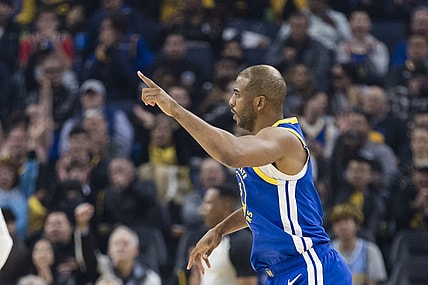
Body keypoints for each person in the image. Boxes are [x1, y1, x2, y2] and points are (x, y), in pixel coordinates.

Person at [137, 64, 352, 284]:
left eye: (237, 94)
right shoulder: (260, 146)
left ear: (259, 102)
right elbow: (261, 207)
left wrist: (174, 109)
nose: (230, 101)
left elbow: (229, 153)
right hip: (280, 272)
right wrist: (220, 230)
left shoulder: (284, 139)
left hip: (310, 266)